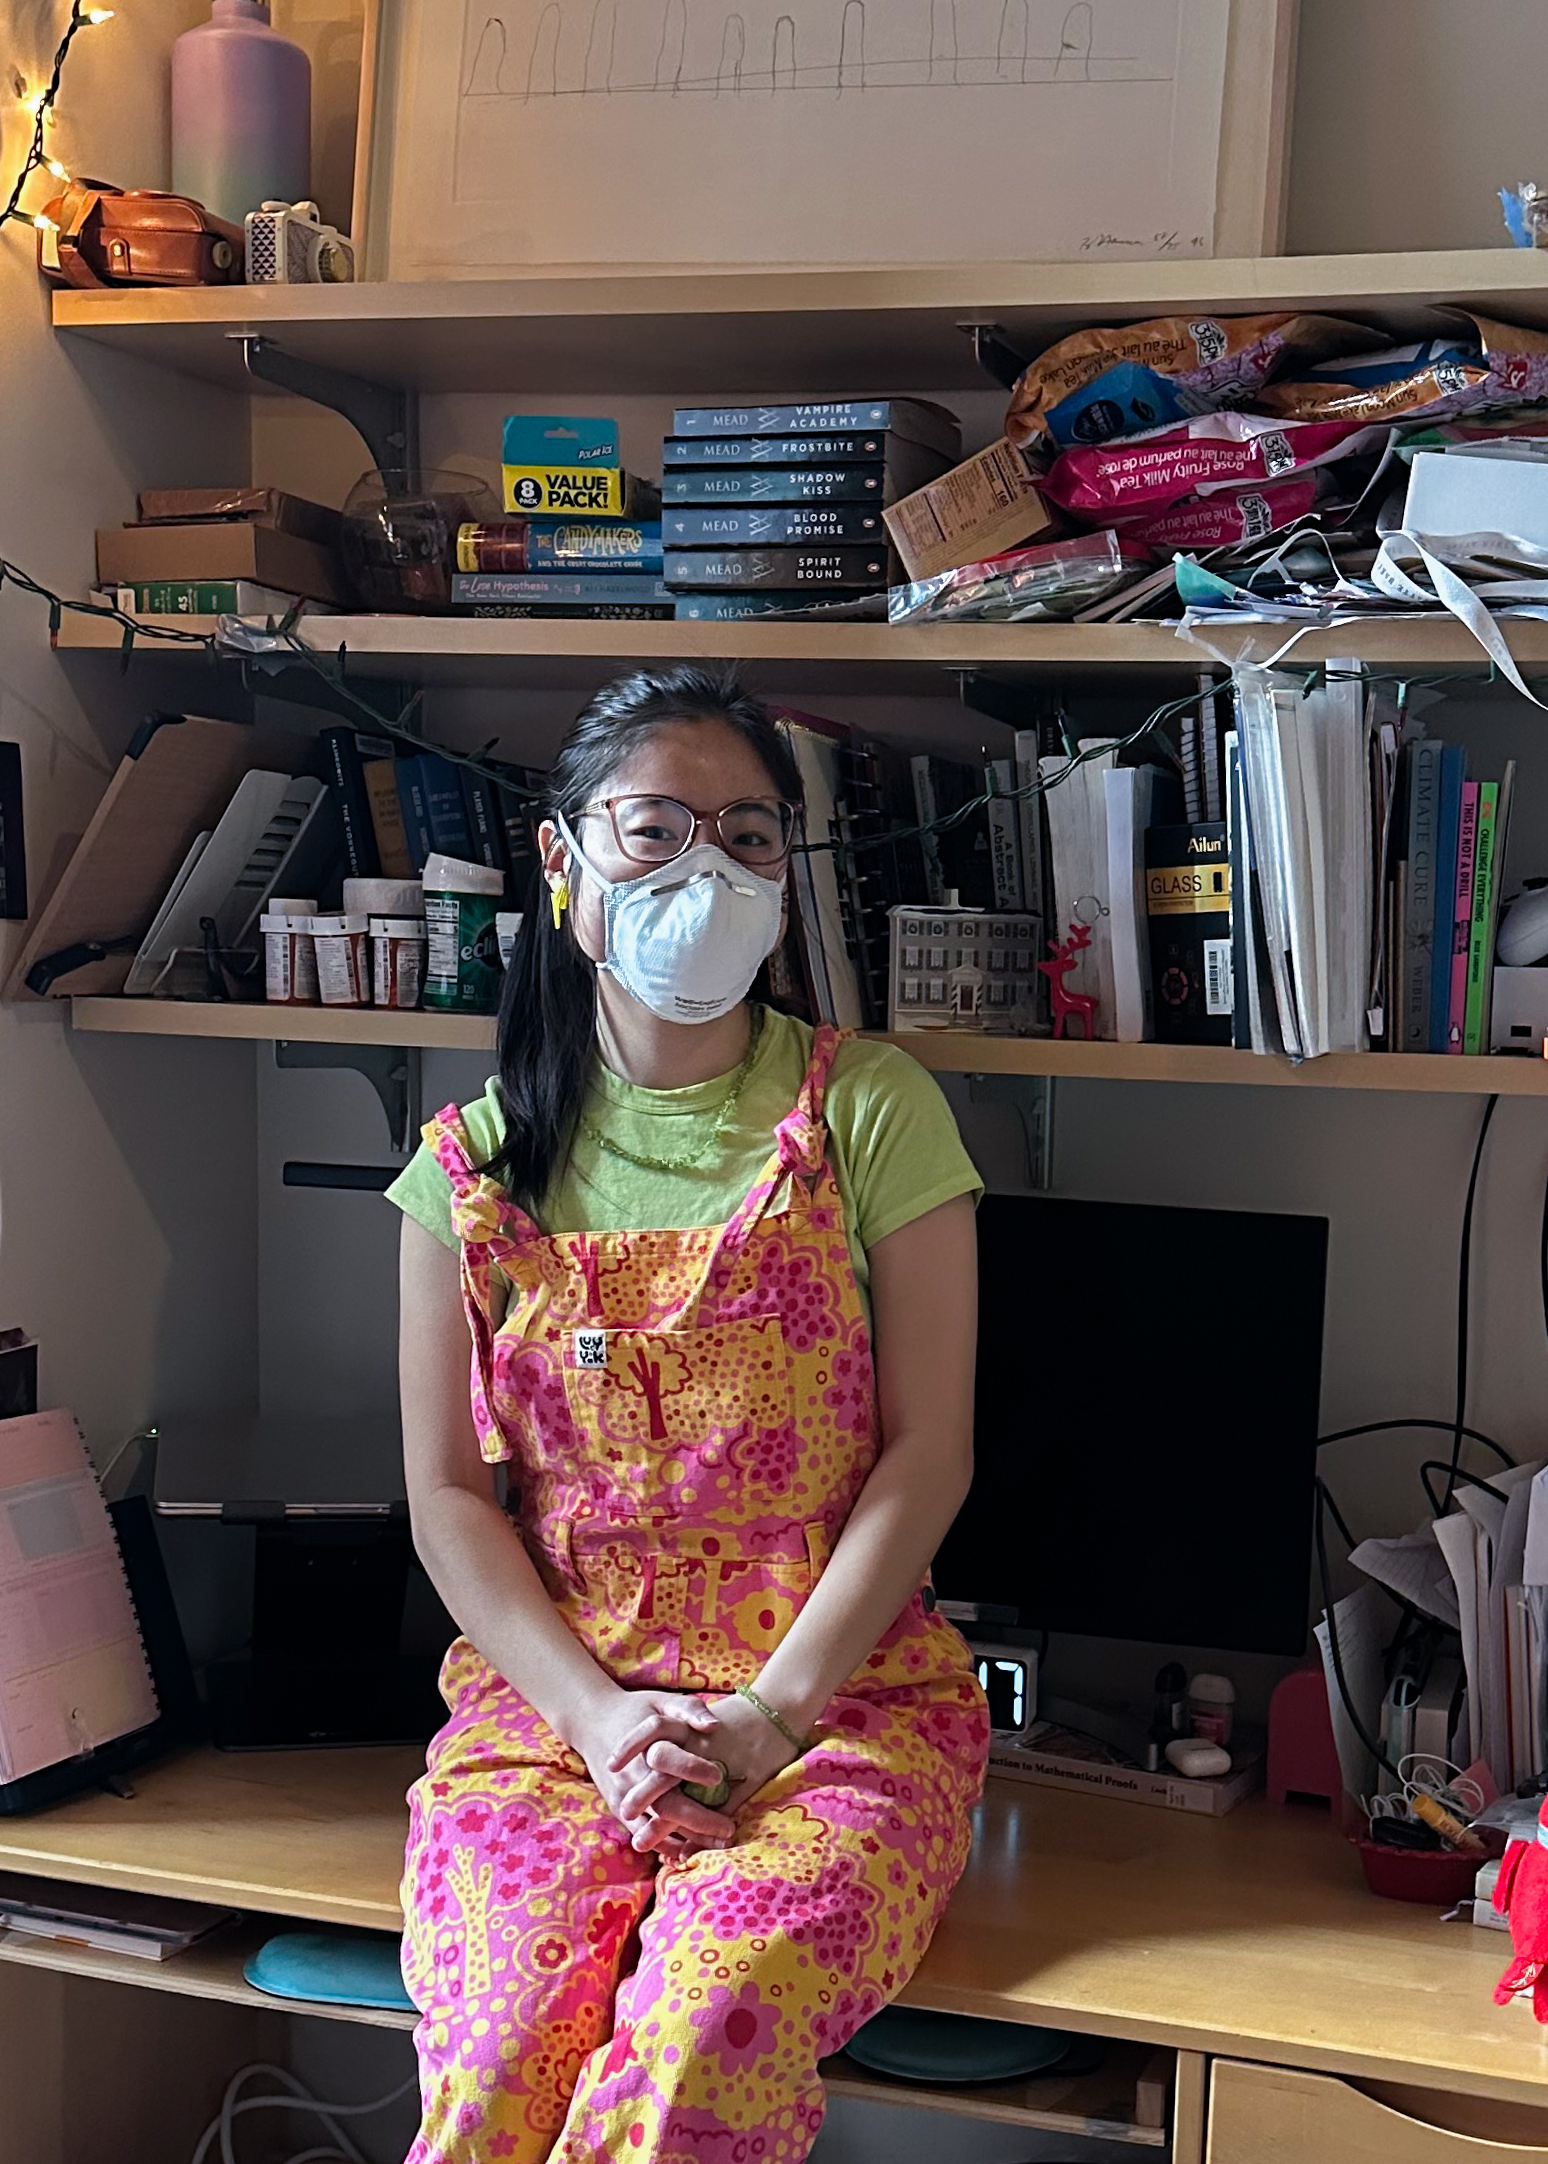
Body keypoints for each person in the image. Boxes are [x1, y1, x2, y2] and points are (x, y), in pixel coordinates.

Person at [386, 669, 989, 2164]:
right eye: (651, 827)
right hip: (550, 1717)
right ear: (560, 859)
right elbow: (449, 1496)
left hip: (832, 1714)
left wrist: (765, 1714)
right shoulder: (466, 1167)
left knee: (696, 2043)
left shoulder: (870, 1111)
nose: (699, 869)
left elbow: (931, 1447)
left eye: (743, 833)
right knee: (497, 2054)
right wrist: (598, 1723)